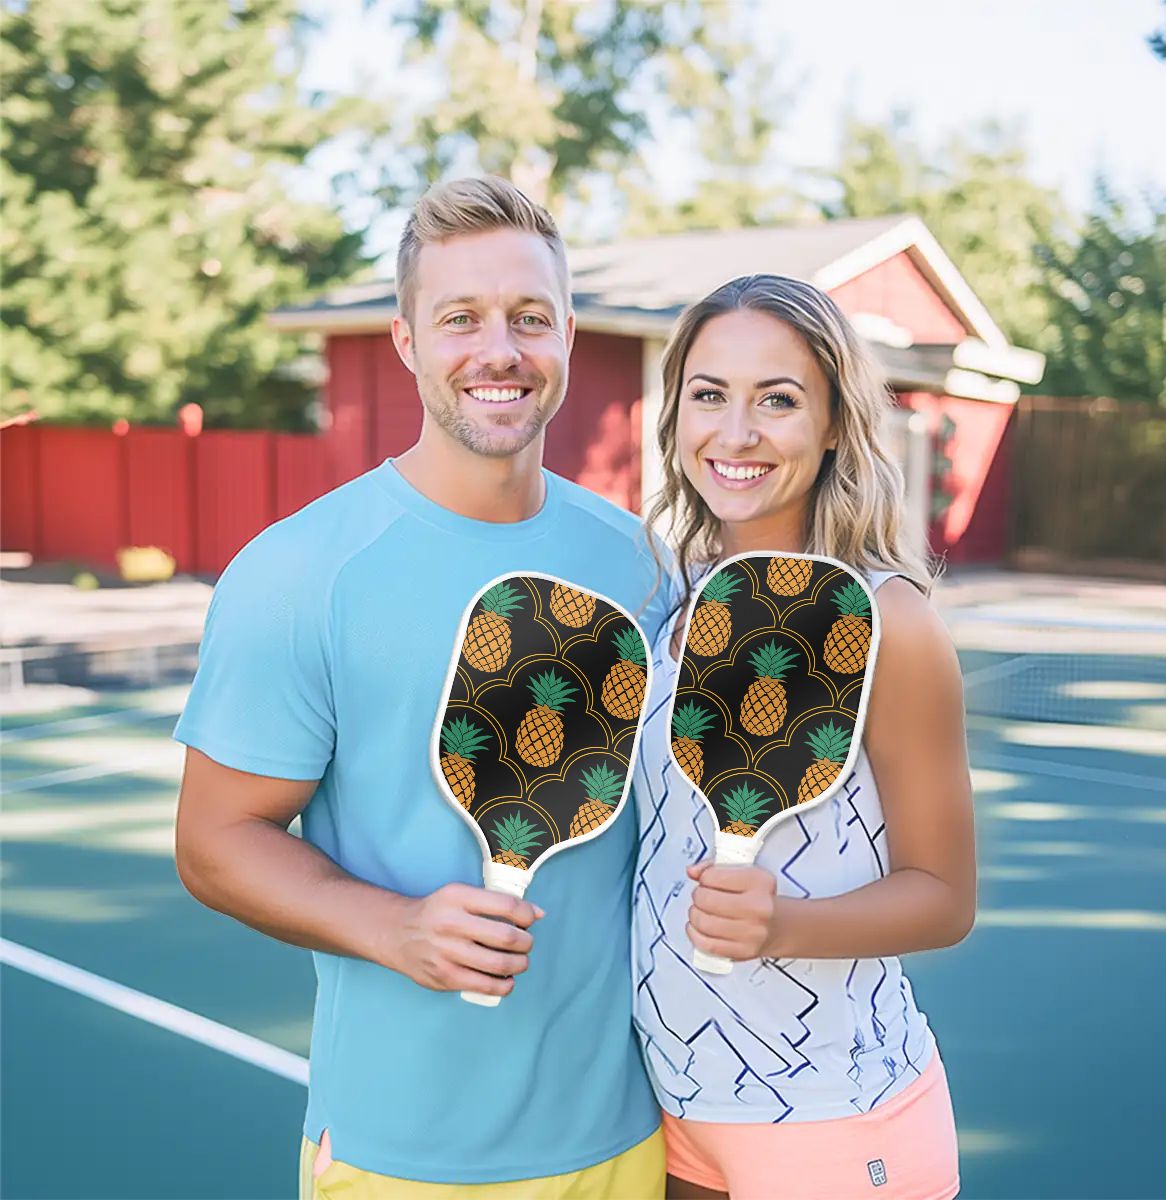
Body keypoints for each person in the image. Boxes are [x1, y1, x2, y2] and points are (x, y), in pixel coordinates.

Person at [174, 176, 668, 1199]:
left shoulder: (641, 566)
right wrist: (395, 929)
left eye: (530, 318)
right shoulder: (299, 572)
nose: (500, 350)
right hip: (400, 1157)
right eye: (461, 319)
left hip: (629, 1140)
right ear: (406, 341)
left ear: (568, 335)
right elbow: (215, 841)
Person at [632, 275, 975, 1200]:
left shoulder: (888, 620)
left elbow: (943, 898)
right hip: (667, 1114)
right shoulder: (671, 605)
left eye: (777, 401)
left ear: (833, 426)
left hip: (835, 1118)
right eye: (709, 395)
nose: (735, 433)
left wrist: (786, 926)